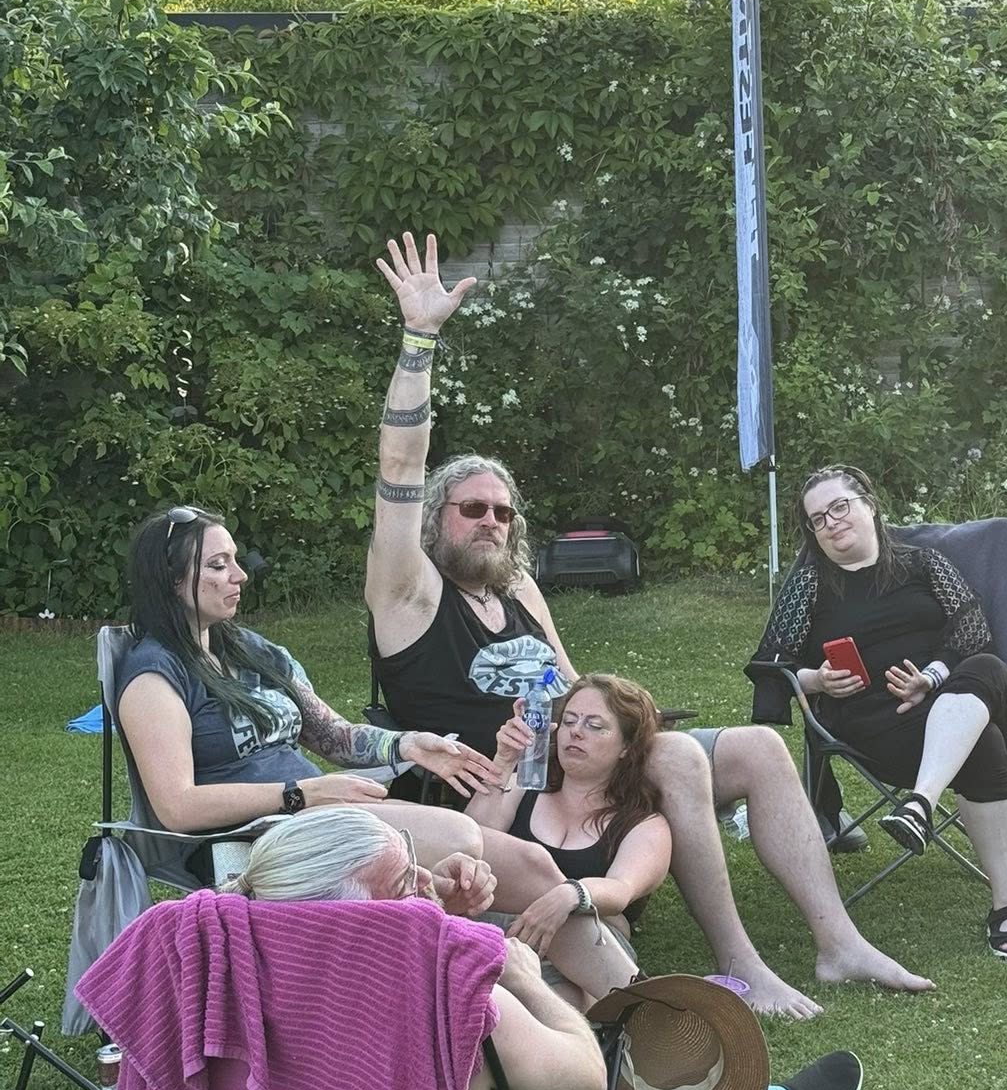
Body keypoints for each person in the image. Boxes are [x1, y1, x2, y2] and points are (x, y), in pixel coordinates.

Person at [364, 231, 932, 1015]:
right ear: (437, 518)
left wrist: (621, 715)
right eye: (473, 509)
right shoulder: (409, 596)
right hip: (507, 782)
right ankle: (741, 964)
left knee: (761, 748)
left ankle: (838, 943)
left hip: (578, 753)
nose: (491, 521)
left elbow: (573, 686)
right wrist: (420, 339)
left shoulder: (518, 585)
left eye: (503, 512)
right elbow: (399, 466)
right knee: (677, 760)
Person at [235, 808, 865, 1090]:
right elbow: (588, 1077)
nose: (426, 878)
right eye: (405, 880)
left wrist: (437, 913)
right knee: (600, 1044)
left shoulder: (237, 992)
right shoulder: (460, 996)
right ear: (353, 918)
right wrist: (525, 982)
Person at [114, 502, 501, 884]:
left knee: (518, 862)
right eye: (218, 565)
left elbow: (332, 735)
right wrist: (300, 794)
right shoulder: (154, 675)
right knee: (460, 838)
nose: (240, 575)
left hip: (314, 817)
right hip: (259, 839)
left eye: (234, 560)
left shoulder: (250, 650)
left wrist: (407, 744)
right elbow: (177, 807)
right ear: (171, 580)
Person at [749, 464, 1007, 963]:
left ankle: (919, 803)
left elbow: (973, 632)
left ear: (870, 505)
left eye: (840, 506)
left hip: (959, 696)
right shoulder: (810, 586)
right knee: (984, 743)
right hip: (878, 726)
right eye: (818, 519)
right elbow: (770, 666)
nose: (832, 522)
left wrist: (931, 678)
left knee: (987, 666)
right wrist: (818, 680)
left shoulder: (923, 564)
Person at [468, 674, 672, 963]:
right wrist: (503, 763)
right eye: (569, 721)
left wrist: (569, 895)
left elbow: (621, 889)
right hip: (495, 934)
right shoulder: (521, 789)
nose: (575, 732)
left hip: (581, 951)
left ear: (627, 746)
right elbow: (470, 844)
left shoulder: (643, 825)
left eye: (594, 726)